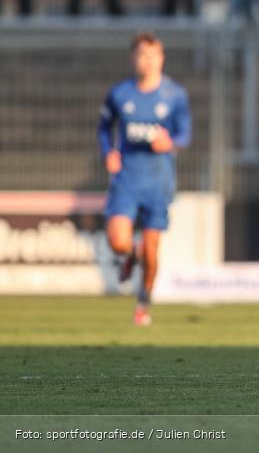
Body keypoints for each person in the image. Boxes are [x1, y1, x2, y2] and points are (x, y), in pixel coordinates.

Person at [98, 33, 191, 326]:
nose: (148, 61)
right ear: (133, 58)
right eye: (142, 55)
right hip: (126, 179)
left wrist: (170, 141)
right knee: (117, 241)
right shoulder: (119, 94)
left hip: (158, 181)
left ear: (161, 58)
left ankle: (143, 302)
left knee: (152, 249)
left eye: (153, 55)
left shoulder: (174, 95)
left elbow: (185, 134)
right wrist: (107, 153)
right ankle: (129, 254)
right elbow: (104, 128)